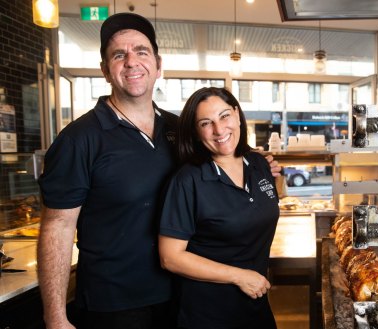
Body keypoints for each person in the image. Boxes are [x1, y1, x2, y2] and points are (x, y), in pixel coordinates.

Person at [37, 13, 279, 329]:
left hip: (181, 296)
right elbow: (57, 226)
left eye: (141, 51)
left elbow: (222, 159)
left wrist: (259, 164)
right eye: (118, 55)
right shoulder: (79, 139)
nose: (131, 62)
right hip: (115, 304)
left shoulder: (179, 129)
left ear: (158, 65)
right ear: (105, 71)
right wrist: (55, 316)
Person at [158, 87, 279, 329]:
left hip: (255, 306)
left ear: (236, 114)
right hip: (207, 313)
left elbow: (262, 207)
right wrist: (239, 276)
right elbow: (170, 258)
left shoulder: (258, 163)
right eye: (206, 123)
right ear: (195, 131)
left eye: (224, 116)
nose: (219, 129)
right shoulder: (188, 180)